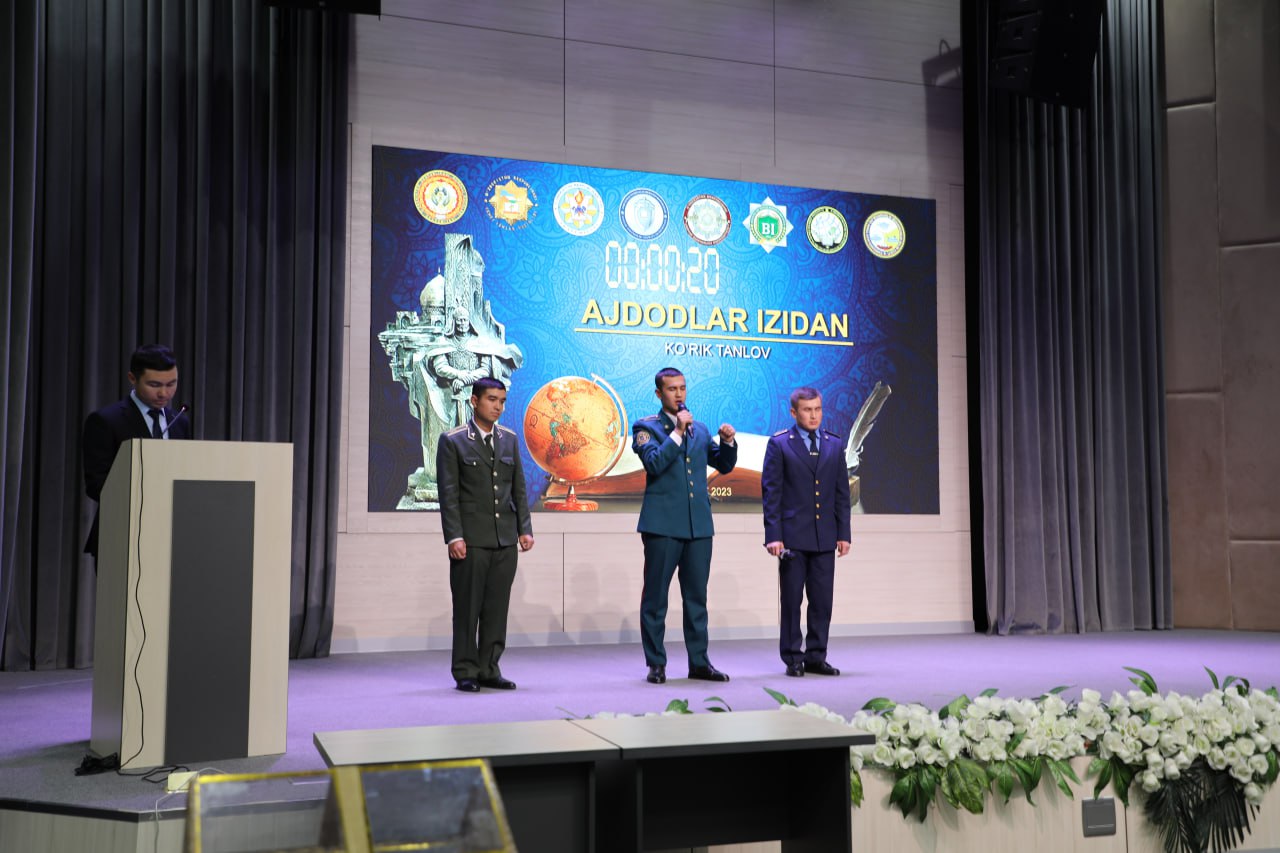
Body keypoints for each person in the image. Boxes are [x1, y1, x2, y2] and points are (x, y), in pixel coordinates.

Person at [631, 367, 737, 684]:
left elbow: (724, 464)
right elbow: (654, 463)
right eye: (671, 389)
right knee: (656, 598)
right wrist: (677, 432)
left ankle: (699, 663)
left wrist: (728, 442)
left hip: (698, 527)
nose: (679, 394)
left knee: (696, 599)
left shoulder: (699, 429)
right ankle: (656, 663)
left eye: (682, 388)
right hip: (662, 526)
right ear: (659, 393)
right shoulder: (646, 427)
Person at [436, 377, 535, 692]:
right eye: (492, 399)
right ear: (474, 401)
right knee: (468, 609)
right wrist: (454, 536)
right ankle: (466, 670)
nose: (498, 407)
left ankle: (489, 668)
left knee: (496, 608)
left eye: (502, 401)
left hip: (504, 538)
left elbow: (518, 488)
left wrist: (525, 529)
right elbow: (448, 494)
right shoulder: (453, 441)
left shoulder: (509, 439)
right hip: (471, 539)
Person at [760, 387, 851, 677]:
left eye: (818, 409)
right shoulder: (780, 444)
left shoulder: (834, 444)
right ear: (793, 412)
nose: (813, 415)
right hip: (792, 538)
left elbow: (841, 494)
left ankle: (816, 656)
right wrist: (773, 535)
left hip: (824, 536)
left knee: (822, 601)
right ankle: (792, 657)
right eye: (807, 410)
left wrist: (844, 533)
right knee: (791, 601)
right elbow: (771, 493)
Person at [82, 344, 191, 558]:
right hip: (121, 533)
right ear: (132, 378)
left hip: (171, 534)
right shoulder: (106, 421)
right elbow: (97, 484)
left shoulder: (179, 421)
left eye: (171, 384)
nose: (164, 393)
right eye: (154, 384)